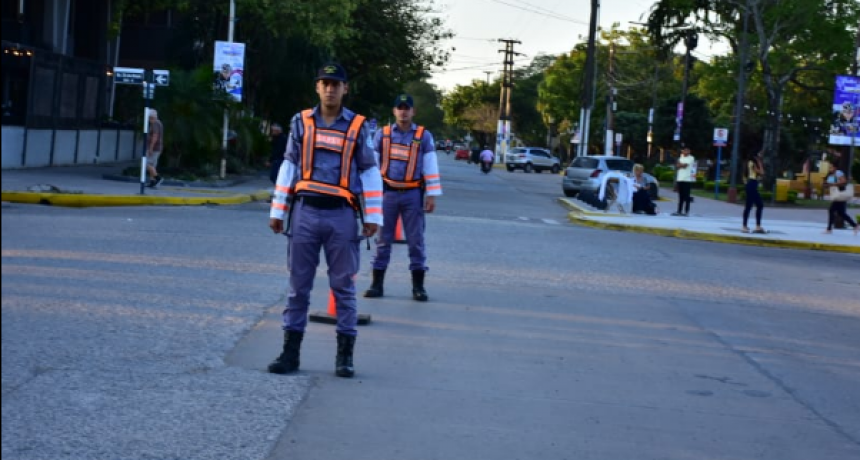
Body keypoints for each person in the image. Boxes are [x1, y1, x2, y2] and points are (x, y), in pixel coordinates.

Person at [267, 63, 383, 379]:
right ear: (317, 87)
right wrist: (278, 210)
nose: (330, 88)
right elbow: (289, 164)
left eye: (336, 84)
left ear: (345, 89)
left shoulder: (359, 126)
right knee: (297, 287)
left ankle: (344, 358)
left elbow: (370, 171)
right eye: (325, 83)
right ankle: (290, 354)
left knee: (343, 287)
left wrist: (373, 215)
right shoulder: (300, 122)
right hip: (304, 212)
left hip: (342, 216)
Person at [363, 94, 442, 302]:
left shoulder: (424, 136)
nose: (403, 111)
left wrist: (432, 194)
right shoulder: (383, 134)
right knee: (382, 240)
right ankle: (376, 284)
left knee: (416, 241)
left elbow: (430, 165)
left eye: (407, 108)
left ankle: (418, 287)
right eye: (400, 107)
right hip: (387, 193)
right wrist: (370, 194)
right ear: (394, 110)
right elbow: (372, 165)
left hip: (412, 195)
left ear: (413, 111)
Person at [822, 163, 859, 235]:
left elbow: (843, 181)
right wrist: (826, 184)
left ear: (835, 167)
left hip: (840, 194)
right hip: (837, 195)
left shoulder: (838, 172)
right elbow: (829, 183)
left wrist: (833, 184)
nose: (830, 169)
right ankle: (855, 225)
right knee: (841, 213)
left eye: (831, 167)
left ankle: (829, 229)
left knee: (832, 210)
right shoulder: (831, 174)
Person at [742, 151, 767, 234]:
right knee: (751, 205)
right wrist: (759, 162)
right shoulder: (752, 162)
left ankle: (756, 226)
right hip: (752, 184)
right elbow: (761, 172)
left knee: (757, 205)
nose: (761, 154)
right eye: (759, 153)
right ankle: (746, 226)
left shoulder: (750, 162)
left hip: (752, 184)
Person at [672, 145, 695, 216]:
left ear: (689, 151)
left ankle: (686, 211)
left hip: (687, 179)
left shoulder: (691, 158)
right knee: (680, 196)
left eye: (687, 150)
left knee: (686, 196)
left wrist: (680, 165)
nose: (686, 152)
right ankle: (679, 211)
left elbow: (685, 166)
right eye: (684, 150)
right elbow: (677, 166)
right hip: (680, 179)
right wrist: (680, 165)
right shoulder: (681, 157)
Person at [146, 109, 164, 188]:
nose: (148, 120)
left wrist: (151, 148)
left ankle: (158, 178)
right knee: (152, 165)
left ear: (151, 117)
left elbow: (155, 136)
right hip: (157, 148)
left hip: (155, 148)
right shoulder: (158, 123)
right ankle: (152, 181)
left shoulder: (155, 123)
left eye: (149, 118)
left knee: (147, 164)